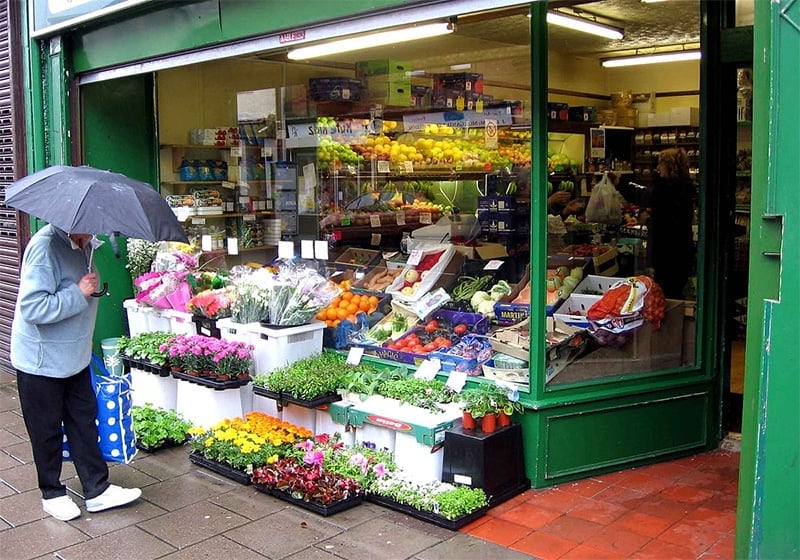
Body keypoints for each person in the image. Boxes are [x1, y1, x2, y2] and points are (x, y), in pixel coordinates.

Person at [11, 225, 141, 521]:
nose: (93, 229)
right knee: (46, 430)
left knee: (84, 420)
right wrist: (78, 292)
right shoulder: (44, 247)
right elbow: (33, 307)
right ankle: (52, 492)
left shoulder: (88, 245)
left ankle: (97, 489)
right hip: (41, 359)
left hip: (75, 355)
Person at [649, 148, 696, 298]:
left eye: (661, 164)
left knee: (665, 294)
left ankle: (670, 321)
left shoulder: (665, 190)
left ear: (669, 166)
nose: (658, 169)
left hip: (667, 252)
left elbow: (665, 222)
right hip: (682, 252)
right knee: (675, 290)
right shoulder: (687, 187)